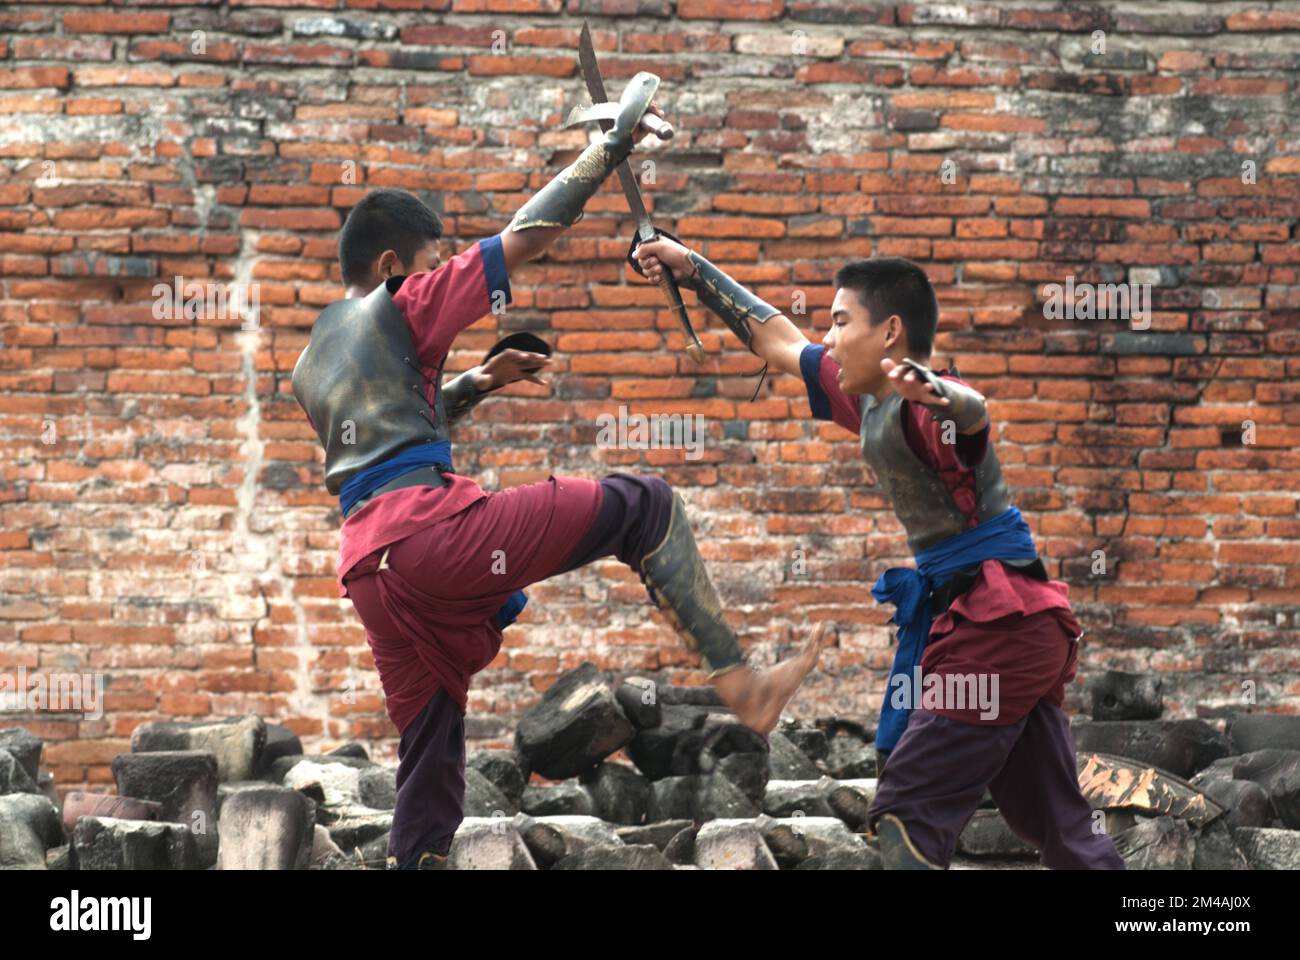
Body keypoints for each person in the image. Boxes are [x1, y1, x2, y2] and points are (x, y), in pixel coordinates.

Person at [290, 75, 822, 871]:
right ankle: (745, 687)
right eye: (428, 264)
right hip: (431, 540)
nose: (435, 276)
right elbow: (527, 235)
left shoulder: (313, 358)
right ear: (395, 262)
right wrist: (610, 148)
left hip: (369, 570)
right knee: (646, 506)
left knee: (431, 750)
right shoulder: (403, 302)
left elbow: (382, 447)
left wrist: (475, 383)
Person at [631, 235, 1124, 870]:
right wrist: (690, 267)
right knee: (1056, 822)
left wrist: (942, 393)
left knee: (907, 811)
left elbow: (972, 416)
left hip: (999, 624)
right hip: (1009, 630)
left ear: (891, 332)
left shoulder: (927, 408)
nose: (828, 338)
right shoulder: (864, 398)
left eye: (840, 322)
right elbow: (774, 340)